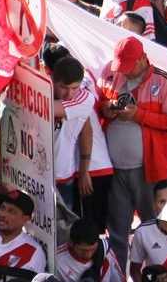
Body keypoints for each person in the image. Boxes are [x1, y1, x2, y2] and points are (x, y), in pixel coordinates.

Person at [97, 36, 167, 265]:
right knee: (116, 229)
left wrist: (138, 115)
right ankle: (117, 276)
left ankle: (160, 275)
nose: (123, 72)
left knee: (155, 226)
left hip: (150, 170)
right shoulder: (111, 72)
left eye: (128, 67)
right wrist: (106, 109)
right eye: (121, 67)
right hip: (114, 168)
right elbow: (98, 105)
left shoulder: (163, 80)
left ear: (143, 59)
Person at [50, 56, 114, 229]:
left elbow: (87, 131)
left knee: (66, 230)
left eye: (74, 88)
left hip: (63, 176)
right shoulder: (42, 89)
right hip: (38, 176)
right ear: (53, 80)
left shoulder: (84, 99)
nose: (69, 94)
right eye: (64, 87)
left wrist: (84, 170)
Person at [55, 219, 124, 282]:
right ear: (71, 243)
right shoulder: (57, 261)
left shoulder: (105, 251)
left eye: (93, 249)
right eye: (83, 250)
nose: (88, 254)